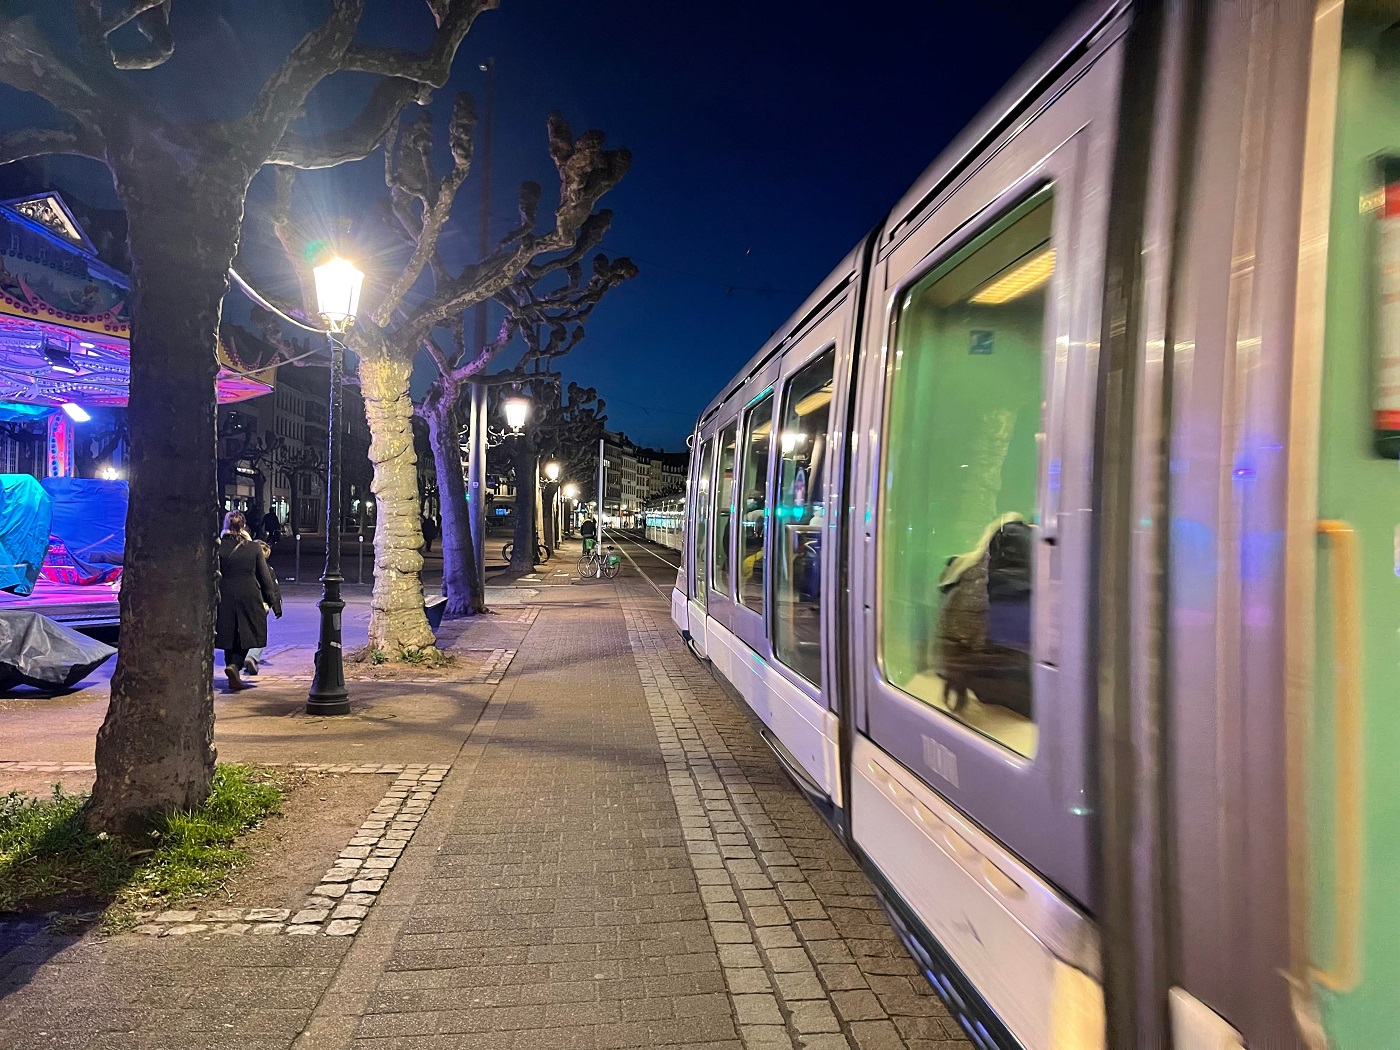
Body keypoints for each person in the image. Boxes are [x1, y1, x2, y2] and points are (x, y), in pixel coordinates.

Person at [215, 511, 282, 692]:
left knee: (229, 634)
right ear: (243, 526)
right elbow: (264, 576)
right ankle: (235, 666)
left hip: (224, 595)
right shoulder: (253, 548)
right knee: (247, 634)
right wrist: (273, 601)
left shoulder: (217, 548)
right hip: (248, 595)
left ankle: (232, 667)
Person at [242, 540, 282, 677]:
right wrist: (276, 608)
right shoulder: (268, 570)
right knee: (259, 632)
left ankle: (244, 657)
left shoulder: (244, 567)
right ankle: (252, 656)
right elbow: (273, 589)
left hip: (244, 602)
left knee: (244, 630)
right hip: (261, 605)